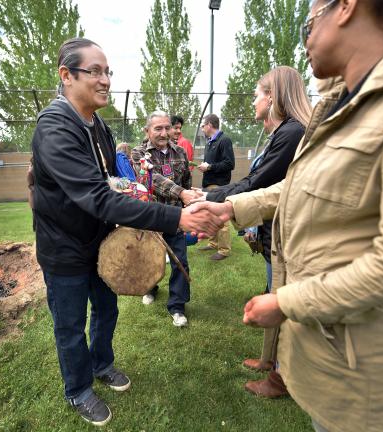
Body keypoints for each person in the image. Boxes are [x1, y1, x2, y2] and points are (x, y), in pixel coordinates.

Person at [191, 2, 383, 430]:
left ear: (347, 8)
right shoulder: (343, 100)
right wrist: (230, 207)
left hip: (368, 380)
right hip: (330, 355)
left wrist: (286, 302)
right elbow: (298, 186)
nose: (306, 40)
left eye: (309, 21)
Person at [31, 37, 225, 427]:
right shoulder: (55, 127)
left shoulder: (97, 126)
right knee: (70, 325)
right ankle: (78, 390)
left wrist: (131, 188)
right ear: (66, 76)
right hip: (64, 249)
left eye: (108, 72)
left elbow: (110, 183)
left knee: (105, 310)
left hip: (99, 244)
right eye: (95, 71)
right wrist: (177, 218)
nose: (105, 80)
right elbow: (95, 196)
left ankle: (102, 365)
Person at [199, 66, 311, 394]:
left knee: (285, 302)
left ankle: (281, 378)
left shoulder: (292, 133)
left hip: (286, 230)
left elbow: (258, 183)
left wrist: (210, 197)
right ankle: (269, 361)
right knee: (274, 291)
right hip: (271, 226)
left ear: (273, 96)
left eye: (256, 95)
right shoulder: (283, 133)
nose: (253, 102)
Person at [131, 111, 198, 327]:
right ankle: (150, 288)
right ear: (147, 130)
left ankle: (177, 306)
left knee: (181, 262)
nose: (163, 133)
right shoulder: (138, 153)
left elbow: (187, 180)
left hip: (175, 218)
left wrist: (188, 202)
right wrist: (180, 192)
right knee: (150, 259)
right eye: (157, 128)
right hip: (149, 218)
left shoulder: (179, 152)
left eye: (167, 127)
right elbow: (151, 178)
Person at [197, 113, 235, 261]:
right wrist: (206, 167)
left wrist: (210, 167)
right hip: (209, 184)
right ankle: (213, 243)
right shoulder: (210, 142)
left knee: (221, 217)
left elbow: (230, 164)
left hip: (219, 185)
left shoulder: (224, 140)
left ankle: (224, 250)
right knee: (211, 215)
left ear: (209, 125)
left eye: (203, 125)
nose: (202, 128)